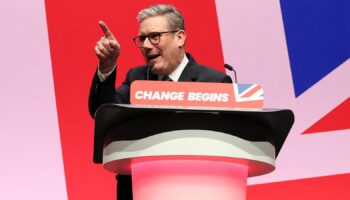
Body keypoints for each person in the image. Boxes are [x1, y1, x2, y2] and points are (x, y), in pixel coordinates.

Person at [89, 4, 232, 200]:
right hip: (138, 189)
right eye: (142, 39)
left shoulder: (215, 83)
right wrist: (107, 65)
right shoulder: (136, 78)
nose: (146, 45)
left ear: (179, 37)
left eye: (155, 36)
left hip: (194, 189)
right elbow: (102, 112)